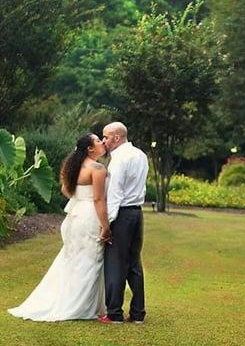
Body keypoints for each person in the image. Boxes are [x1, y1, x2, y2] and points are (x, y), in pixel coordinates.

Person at [8, 133, 111, 321]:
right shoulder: (97, 168)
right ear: (90, 148)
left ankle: (69, 299)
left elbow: (66, 190)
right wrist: (105, 226)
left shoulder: (74, 166)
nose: (102, 142)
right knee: (91, 259)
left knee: (73, 259)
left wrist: (80, 196)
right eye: (97, 140)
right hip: (89, 216)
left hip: (74, 215)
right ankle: (81, 306)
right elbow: (98, 199)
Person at [98, 122, 148, 324]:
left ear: (117, 138)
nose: (104, 141)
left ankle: (114, 313)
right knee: (134, 264)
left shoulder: (118, 159)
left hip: (122, 215)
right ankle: (138, 314)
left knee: (115, 265)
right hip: (137, 214)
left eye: (106, 137)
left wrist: (107, 225)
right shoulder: (141, 155)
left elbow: (115, 194)